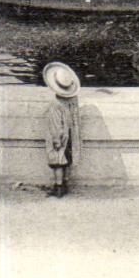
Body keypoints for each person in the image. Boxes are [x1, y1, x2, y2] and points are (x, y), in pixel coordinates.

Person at [40, 62, 81, 197]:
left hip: (60, 136)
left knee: (57, 162)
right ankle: (65, 183)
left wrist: (56, 139)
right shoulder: (73, 100)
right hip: (70, 135)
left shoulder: (55, 104)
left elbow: (55, 124)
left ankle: (58, 187)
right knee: (67, 160)